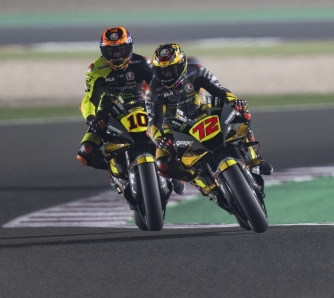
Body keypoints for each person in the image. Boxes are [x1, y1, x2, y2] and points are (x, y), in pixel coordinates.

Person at [76, 27, 186, 195]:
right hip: (108, 113)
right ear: (103, 51)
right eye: (111, 51)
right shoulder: (95, 69)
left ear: (130, 47)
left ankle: (174, 170)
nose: (117, 55)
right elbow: (90, 99)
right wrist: (91, 117)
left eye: (121, 49)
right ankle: (114, 170)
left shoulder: (142, 62)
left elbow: (159, 87)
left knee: (171, 128)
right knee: (86, 152)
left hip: (140, 106)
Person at [145, 43, 273, 179]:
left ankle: (254, 157)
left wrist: (234, 101)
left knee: (243, 113)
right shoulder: (153, 90)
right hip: (174, 124)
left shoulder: (196, 71)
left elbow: (220, 91)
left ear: (182, 64)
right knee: (161, 162)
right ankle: (195, 179)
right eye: (162, 70)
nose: (167, 74)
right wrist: (160, 138)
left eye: (172, 69)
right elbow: (153, 121)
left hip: (202, 109)